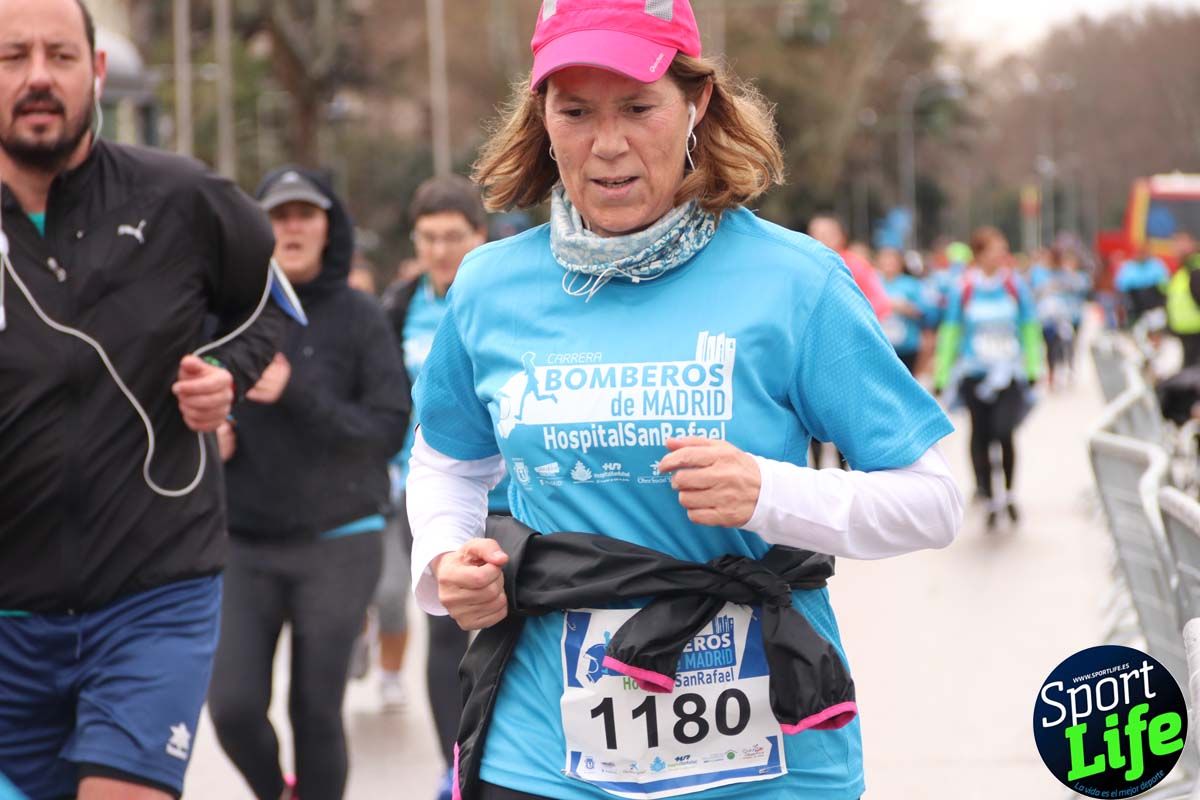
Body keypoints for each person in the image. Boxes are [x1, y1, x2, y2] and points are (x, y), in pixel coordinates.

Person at [407, 3, 963, 799]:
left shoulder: (796, 283)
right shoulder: (490, 287)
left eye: (638, 107)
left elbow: (934, 502)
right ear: (542, 117)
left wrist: (769, 493)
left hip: (766, 759)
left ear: (697, 104)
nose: (607, 145)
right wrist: (443, 555)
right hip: (544, 757)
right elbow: (447, 463)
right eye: (575, 112)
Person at [0, 2, 287, 798]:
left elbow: (271, 303)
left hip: (153, 595)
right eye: (10, 56)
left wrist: (226, 371)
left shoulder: (182, 197)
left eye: (59, 56)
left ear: (94, 73)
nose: (35, 78)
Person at [206, 167, 409, 800]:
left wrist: (297, 392)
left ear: (329, 227)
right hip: (245, 541)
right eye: (278, 215)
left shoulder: (358, 315)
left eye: (306, 214)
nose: (292, 227)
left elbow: (386, 428)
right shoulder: (228, 313)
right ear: (259, 228)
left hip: (338, 538)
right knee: (233, 709)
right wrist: (210, 433)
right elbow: (182, 409)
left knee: (315, 712)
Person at [369, 175, 498, 750]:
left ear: (480, 236)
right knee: (443, 628)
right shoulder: (397, 309)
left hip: (508, 495)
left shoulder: (501, 300)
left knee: (507, 629)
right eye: (428, 238)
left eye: (452, 236)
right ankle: (453, 766)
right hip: (420, 488)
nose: (440, 251)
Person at [934, 226, 1042, 531]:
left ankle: (1008, 493)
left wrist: (1034, 368)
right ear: (979, 254)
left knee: (1004, 431)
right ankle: (989, 495)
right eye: (994, 249)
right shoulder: (964, 289)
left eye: (1003, 249)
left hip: (1008, 374)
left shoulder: (1014, 287)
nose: (1000, 255)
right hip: (974, 375)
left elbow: (1029, 328)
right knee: (980, 433)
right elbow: (951, 333)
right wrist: (942, 374)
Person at [876, 247, 927, 375]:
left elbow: (923, 311)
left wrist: (906, 308)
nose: (889, 264)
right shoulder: (874, 282)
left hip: (906, 346)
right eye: (885, 260)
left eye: (892, 260)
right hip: (880, 346)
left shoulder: (911, 284)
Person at [1115, 242, 1169, 328]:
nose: (1141, 255)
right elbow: (1121, 288)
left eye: (1144, 252)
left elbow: (1165, 286)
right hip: (1134, 308)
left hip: (1153, 308)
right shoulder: (1128, 267)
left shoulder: (1157, 265)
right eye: (1139, 252)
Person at [1166, 232, 1200, 368]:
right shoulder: (1183, 269)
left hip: (1195, 330)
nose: (1177, 249)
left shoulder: (1194, 268)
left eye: (1181, 244)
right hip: (1184, 331)